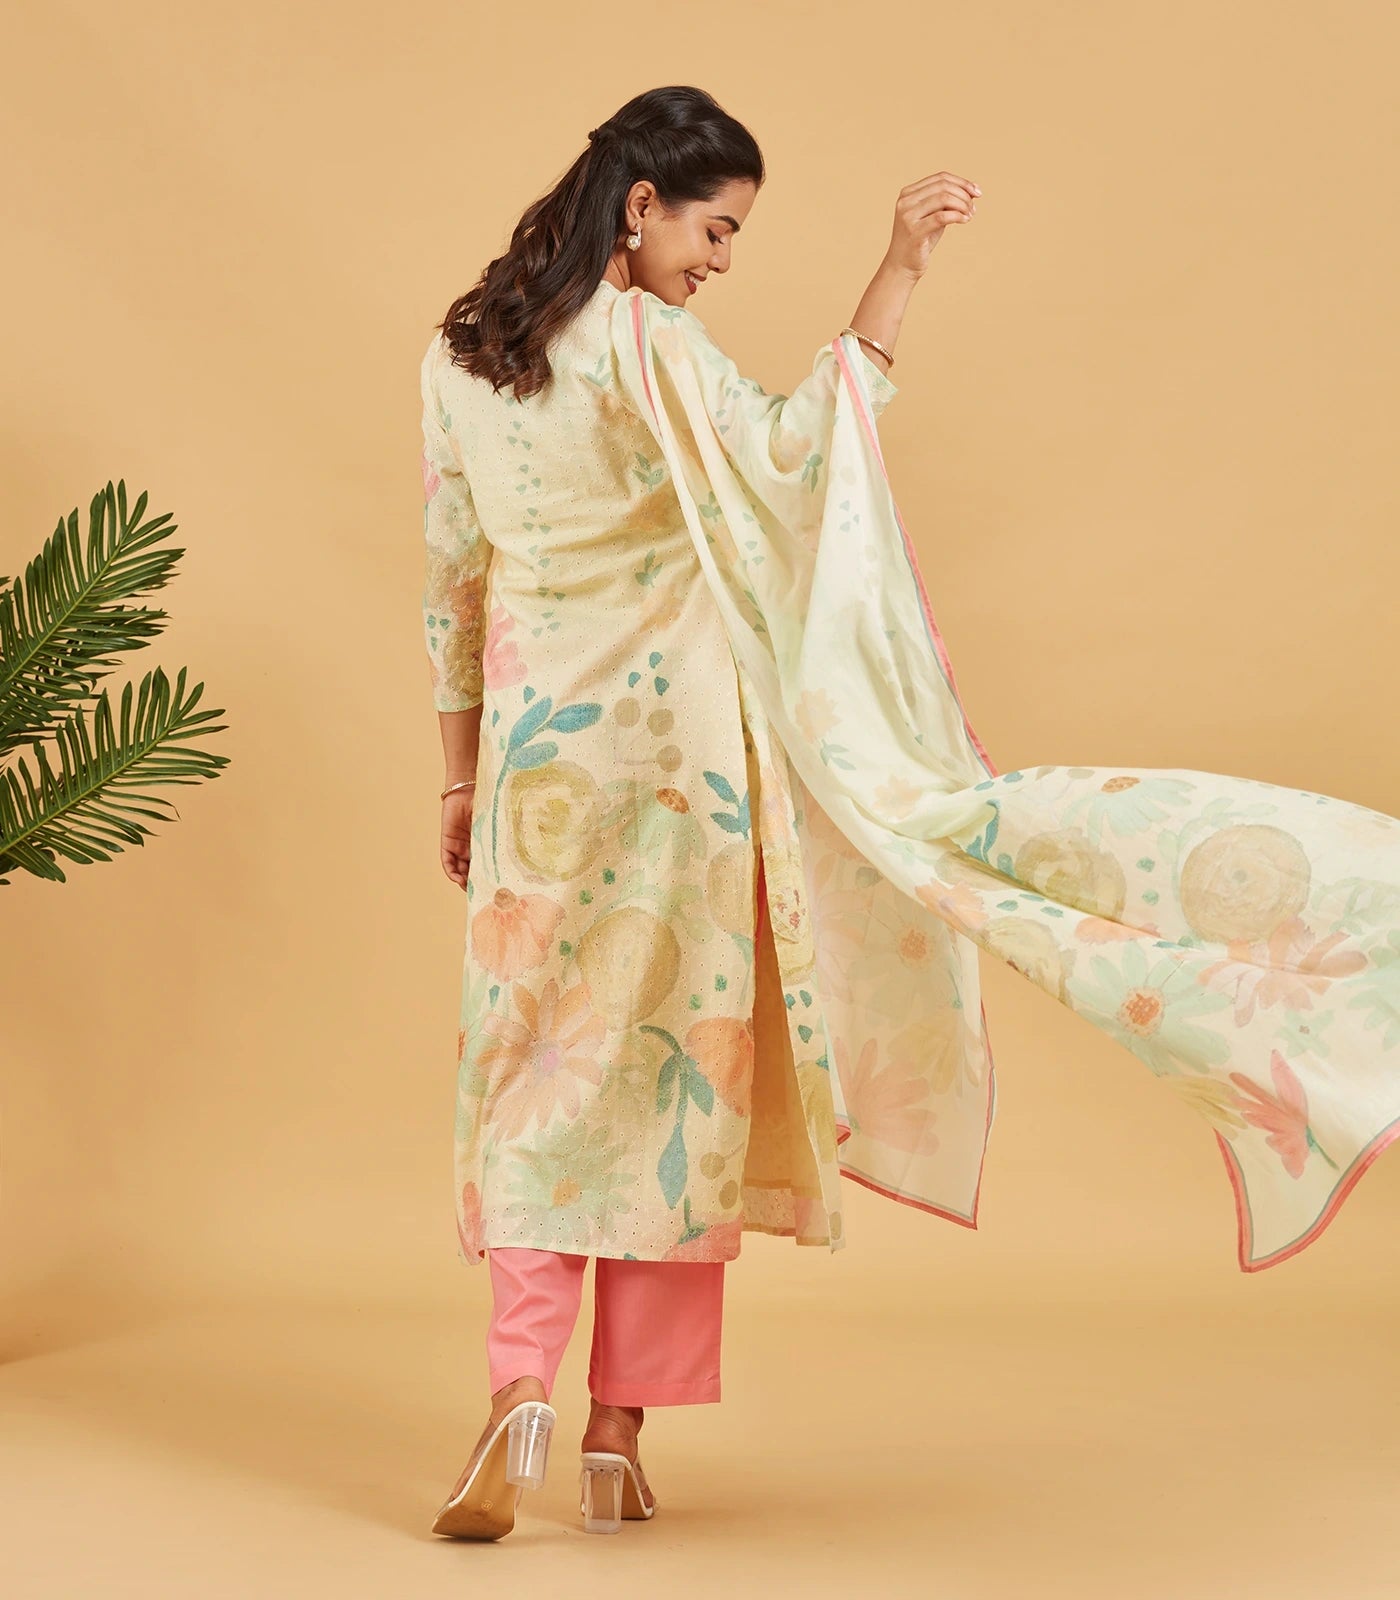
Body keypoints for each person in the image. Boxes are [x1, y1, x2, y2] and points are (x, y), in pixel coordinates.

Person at [420, 86, 1400, 1540]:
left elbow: (451, 583)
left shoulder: (458, 358)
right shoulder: (653, 345)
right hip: (687, 775)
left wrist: (457, 776)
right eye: (716, 229)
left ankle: (520, 1389)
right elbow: (800, 457)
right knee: (679, 1084)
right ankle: (617, 1436)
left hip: (537, 779)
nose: (722, 261)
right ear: (640, 206)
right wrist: (899, 271)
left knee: (536, 1076)